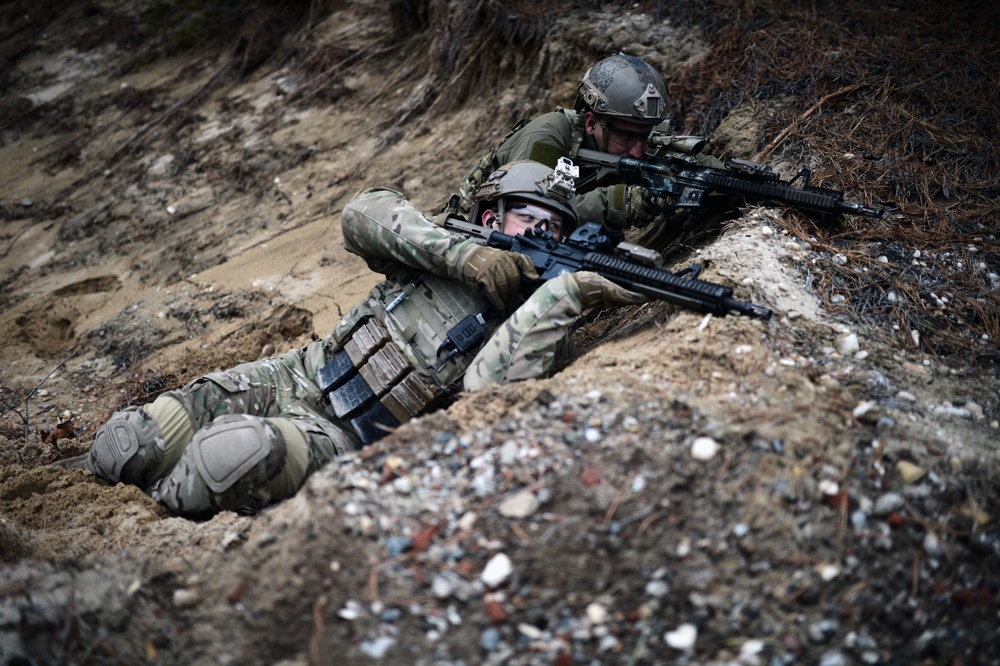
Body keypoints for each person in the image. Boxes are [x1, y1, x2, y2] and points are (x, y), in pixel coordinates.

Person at [81, 161, 646, 517]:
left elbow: (487, 403)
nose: (540, 233)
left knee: (232, 454)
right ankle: (90, 486)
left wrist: (559, 297)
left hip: (348, 442)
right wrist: (462, 255)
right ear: (491, 216)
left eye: (554, 227)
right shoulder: (444, 247)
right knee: (128, 441)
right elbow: (363, 211)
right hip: (297, 374)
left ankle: (155, 517)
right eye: (526, 216)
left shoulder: (538, 328)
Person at [445, 52, 724, 232]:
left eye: (646, 135)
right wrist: (622, 201)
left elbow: (696, 168)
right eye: (626, 136)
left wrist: (716, 179)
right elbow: (532, 219)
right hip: (479, 241)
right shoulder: (547, 138)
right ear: (591, 123)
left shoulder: (633, 137)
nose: (639, 151)